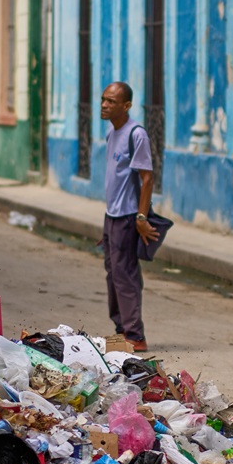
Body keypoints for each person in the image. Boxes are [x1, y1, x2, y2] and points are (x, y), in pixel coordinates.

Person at [100, 81, 160, 352]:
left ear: (126, 106)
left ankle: (135, 335)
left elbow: (147, 178)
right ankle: (121, 330)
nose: (104, 105)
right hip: (111, 215)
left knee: (125, 275)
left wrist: (141, 218)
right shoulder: (111, 133)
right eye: (103, 99)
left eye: (111, 101)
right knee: (113, 273)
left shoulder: (137, 135)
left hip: (127, 216)